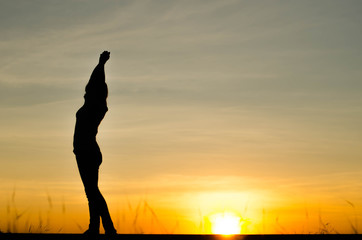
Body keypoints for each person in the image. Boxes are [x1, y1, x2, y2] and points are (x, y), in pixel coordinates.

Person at [73, 51, 117, 236]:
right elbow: (96, 83)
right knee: (91, 192)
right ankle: (96, 228)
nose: (85, 91)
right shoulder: (95, 105)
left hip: (87, 151)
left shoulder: (94, 107)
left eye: (88, 89)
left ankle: (107, 228)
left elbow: (96, 82)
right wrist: (101, 65)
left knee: (92, 192)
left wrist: (101, 65)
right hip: (86, 151)